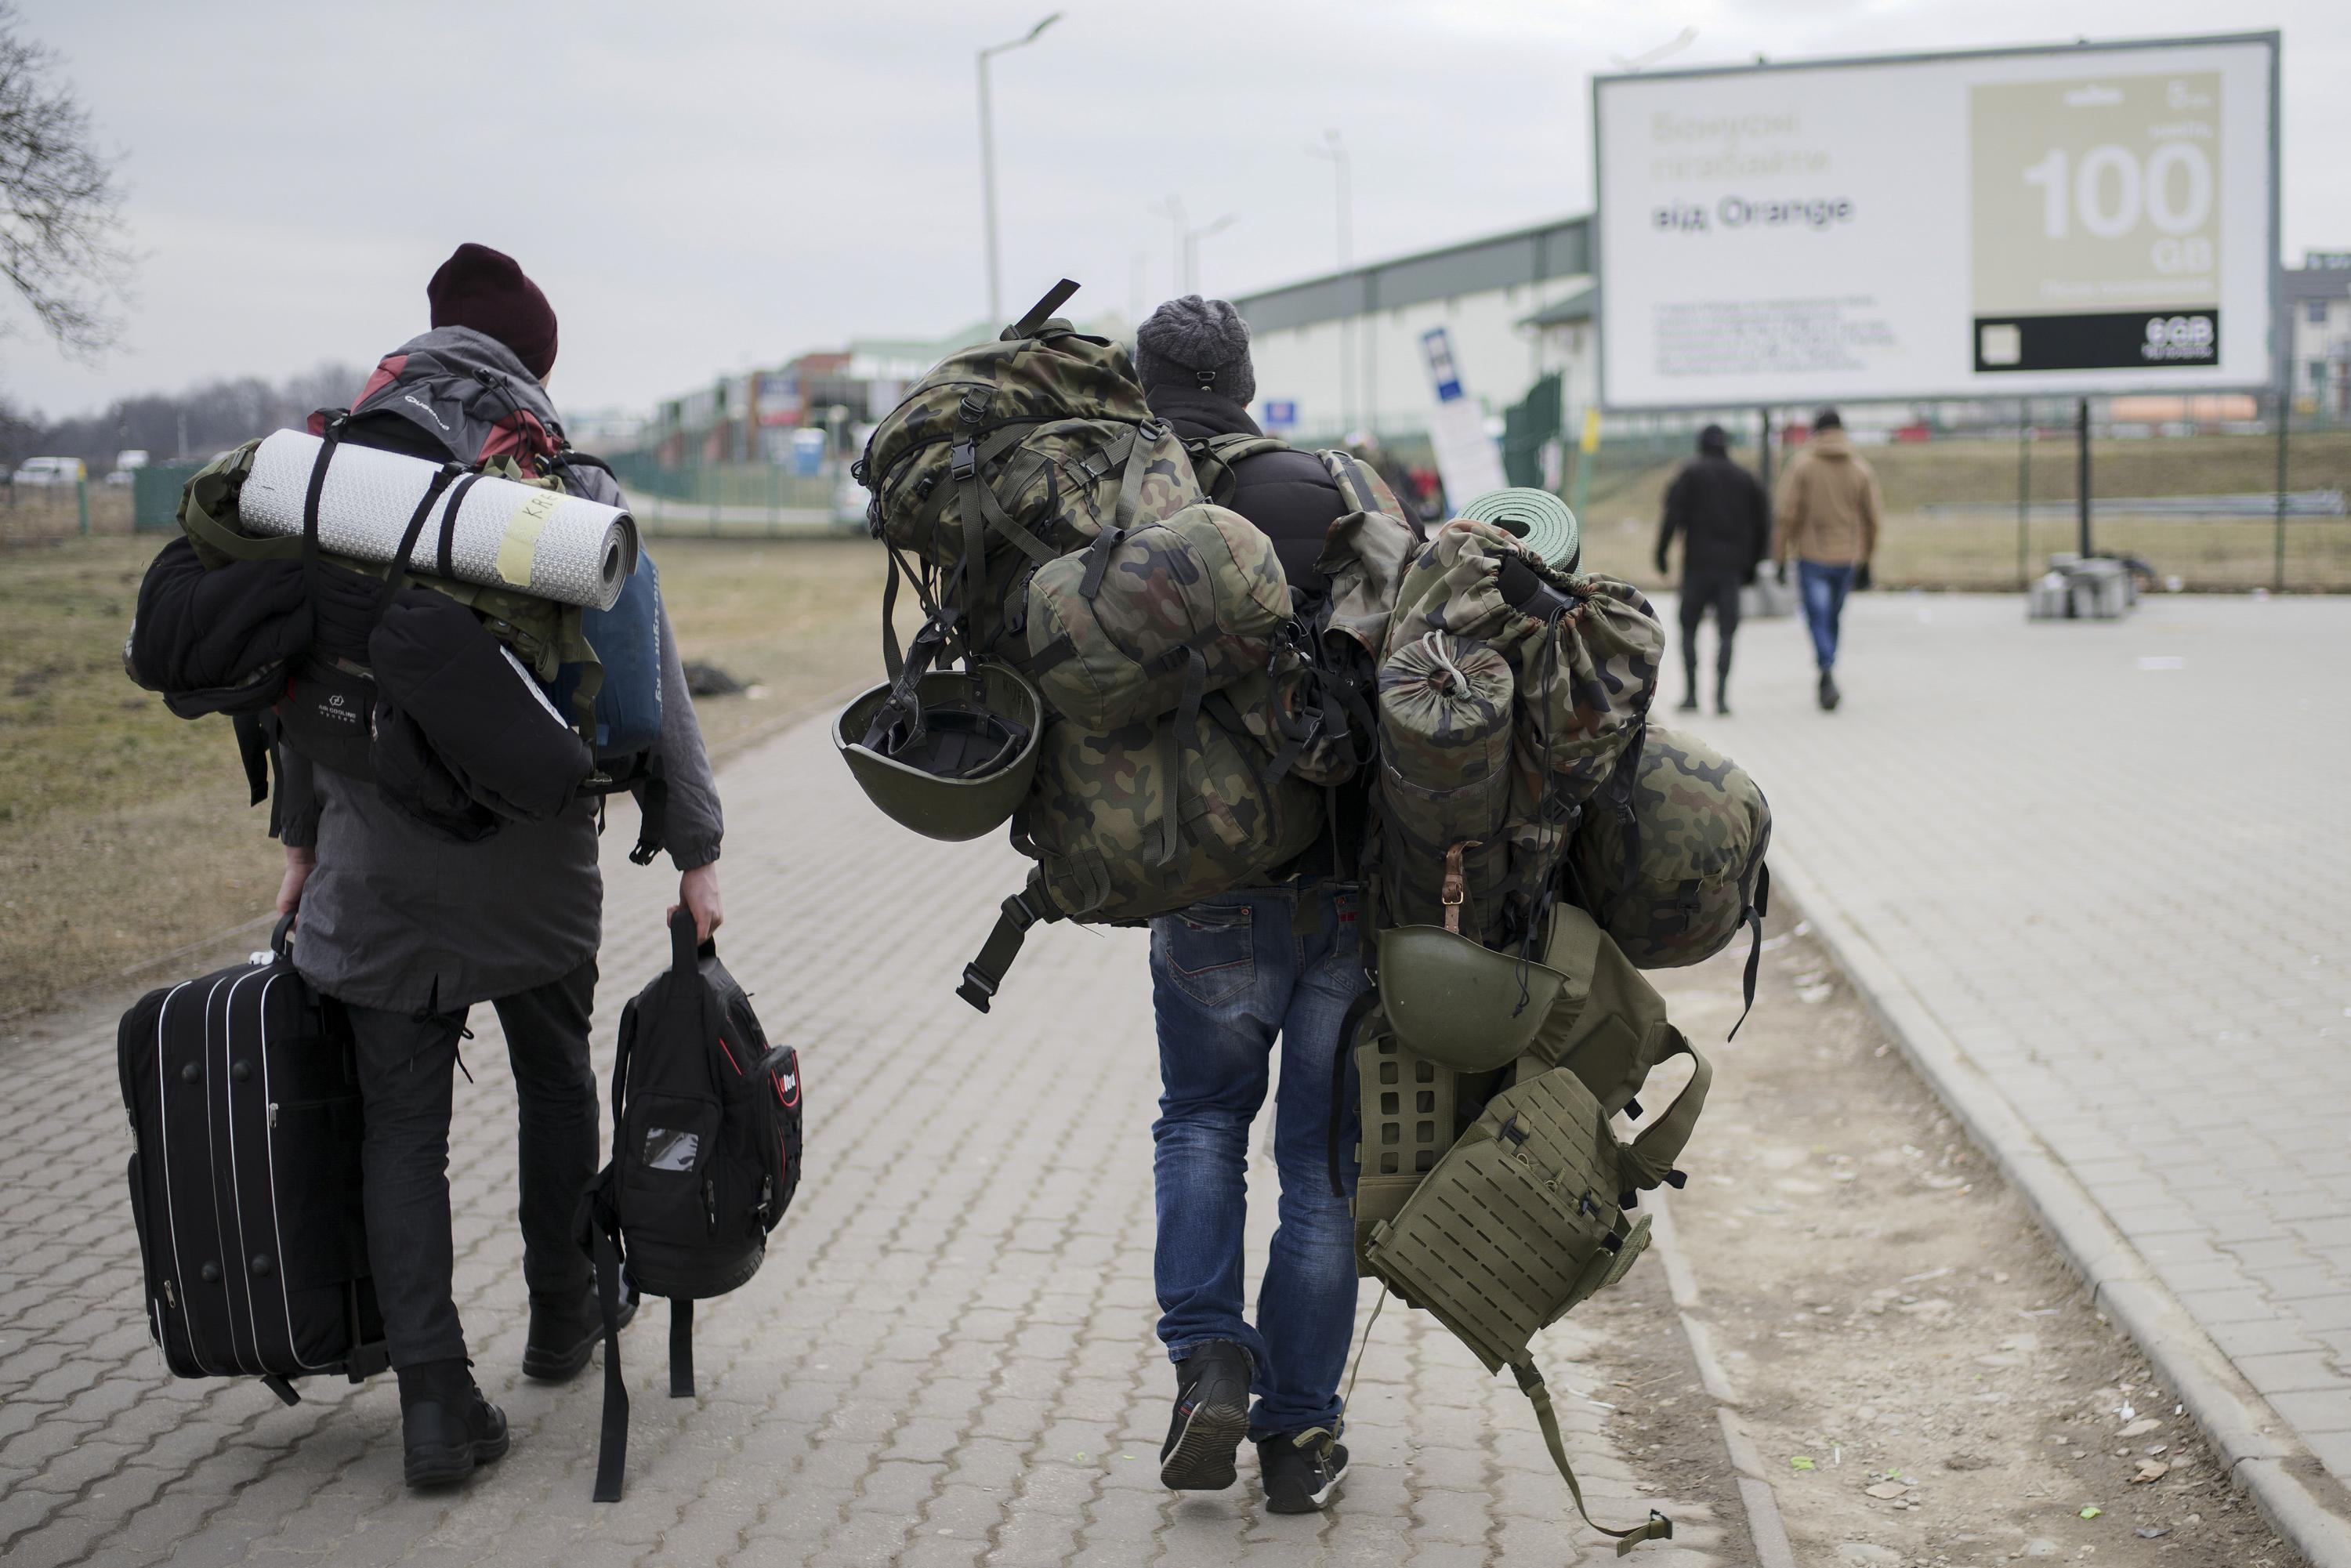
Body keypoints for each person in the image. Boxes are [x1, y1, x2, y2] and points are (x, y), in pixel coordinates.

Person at [273, 244, 725, 1490]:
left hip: (374, 867)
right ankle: (562, 1310)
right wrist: (696, 849)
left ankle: (433, 1403)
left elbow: (309, 679)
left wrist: (303, 847)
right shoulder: (562, 483)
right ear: (532, 358)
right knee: (551, 1080)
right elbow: (653, 685)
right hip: (533, 866)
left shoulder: (348, 476)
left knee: (400, 1131)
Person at [1128, 295, 1368, 1515]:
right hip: (1341, 885)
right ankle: (1298, 1436)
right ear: (1246, 378)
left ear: (1144, 381)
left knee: (1203, 1122)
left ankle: (1209, 1353)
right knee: (1323, 1169)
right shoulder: (1325, 489)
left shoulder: (1121, 506)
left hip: (1203, 888)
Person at [1654, 423, 1770, 715]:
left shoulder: (1690, 475)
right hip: (1731, 569)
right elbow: (1763, 524)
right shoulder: (1745, 478)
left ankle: (1692, 694)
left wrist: (1662, 553)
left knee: (1688, 627)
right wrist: (1753, 565)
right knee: (1727, 632)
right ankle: (1721, 697)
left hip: (1697, 566)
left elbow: (1672, 516)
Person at [1774, 407, 1881, 711]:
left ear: (1816, 431)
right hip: (1848, 556)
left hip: (1811, 554)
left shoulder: (1802, 466)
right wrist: (1867, 560)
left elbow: (1786, 515)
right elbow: (1873, 519)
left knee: (1818, 617)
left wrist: (1780, 557)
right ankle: (1828, 667)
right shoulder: (1860, 468)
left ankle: (1826, 668)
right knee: (1832, 617)